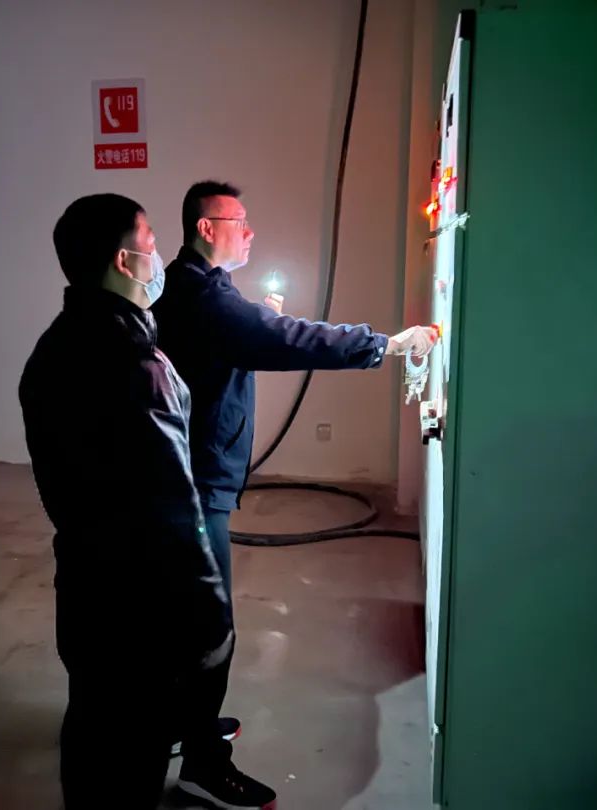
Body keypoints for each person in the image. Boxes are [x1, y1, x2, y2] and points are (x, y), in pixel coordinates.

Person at [152, 180, 440, 807]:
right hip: (198, 484)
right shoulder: (204, 297)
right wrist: (386, 345)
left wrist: (259, 321)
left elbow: (248, 337)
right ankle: (202, 763)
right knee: (210, 628)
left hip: (194, 474)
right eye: (239, 221)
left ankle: (181, 723)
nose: (250, 231)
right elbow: (289, 340)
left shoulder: (199, 290)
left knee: (186, 617)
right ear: (206, 228)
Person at [18, 193, 239, 809]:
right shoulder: (136, 367)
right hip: (142, 610)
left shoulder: (54, 347)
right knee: (132, 750)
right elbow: (174, 512)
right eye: (151, 241)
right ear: (124, 259)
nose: (160, 255)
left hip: (85, 588)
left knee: (92, 728)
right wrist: (211, 620)